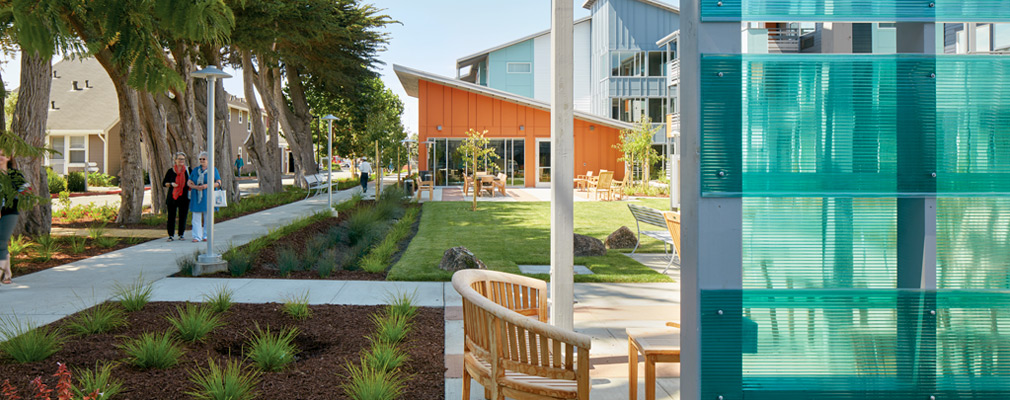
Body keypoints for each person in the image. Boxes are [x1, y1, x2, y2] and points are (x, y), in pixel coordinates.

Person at [0, 149, 27, 284]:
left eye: (2, 155)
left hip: (9, 212)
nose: (0, 158)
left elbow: (27, 192)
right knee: (2, 245)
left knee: (1, 241)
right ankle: (7, 274)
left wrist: (14, 196)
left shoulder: (15, 175)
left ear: (9, 158)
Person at [188, 151, 221, 243]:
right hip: (196, 196)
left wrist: (206, 186)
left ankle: (206, 235)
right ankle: (197, 236)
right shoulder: (195, 170)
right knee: (196, 217)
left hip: (208, 195)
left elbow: (218, 182)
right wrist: (195, 187)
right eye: (200, 159)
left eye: (204, 159)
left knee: (208, 217)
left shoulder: (213, 170)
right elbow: (189, 181)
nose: (202, 161)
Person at [162, 152, 190, 242]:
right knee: (171, 216)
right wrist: (171, 184)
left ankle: (181, 234)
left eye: (183, 159)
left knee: (183, 216)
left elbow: (192, 181)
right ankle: (171, 235)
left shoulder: (188, 170)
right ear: (175, 160)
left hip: (184, 197)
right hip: (173, 197)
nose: (181, 161)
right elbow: (164, 183)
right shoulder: (171, 171)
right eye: (179, 159)